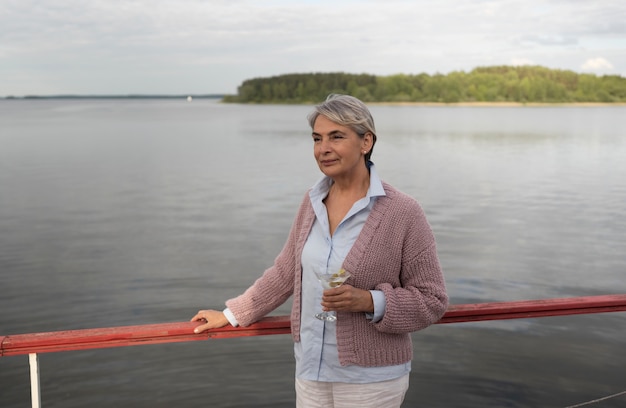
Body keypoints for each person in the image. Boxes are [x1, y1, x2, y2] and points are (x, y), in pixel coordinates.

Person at [191, 94, 448, 408]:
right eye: (317, 138)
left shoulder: (403, 212)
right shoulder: (311, 202)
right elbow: (286, 272)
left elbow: (432, 298)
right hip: (311, 370)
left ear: (366, 141)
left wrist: (369, 300)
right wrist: (232, 315)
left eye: (336, 137)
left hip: (371, 380)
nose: (323, 148)